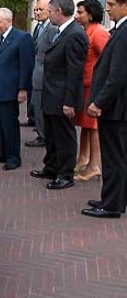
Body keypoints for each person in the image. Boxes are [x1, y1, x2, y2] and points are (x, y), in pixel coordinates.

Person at [30, 0, 88, 189]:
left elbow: (75, 71)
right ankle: (52, 167)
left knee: (64, 137)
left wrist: (70, 102)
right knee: (52, 135)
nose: (48, 14)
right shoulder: (60, 31)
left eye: (50, 11)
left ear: (59, 11)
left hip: (63, 98)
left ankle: (65, 175)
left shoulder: (75, 34)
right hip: (51, 94)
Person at [82, 0, 127, 218]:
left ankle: (111, 205)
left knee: (114, 157)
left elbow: (117, 74)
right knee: (116, 156)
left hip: (116, 108)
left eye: (111, 4)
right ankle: (114, 199)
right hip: (116, 106)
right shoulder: (120, 30)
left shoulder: (125, 32)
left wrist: (99, 102)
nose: (107, 8)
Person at [0, 7, 34, 171]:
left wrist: (23, 89)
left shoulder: (22, 38)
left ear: (8, 21)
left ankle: (13, 156)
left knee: (9, 124)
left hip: (10, 90)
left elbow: (26, 66)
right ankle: (2, 152)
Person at [73, 0, 109, 181]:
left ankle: (95, 165)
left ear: (91, 14)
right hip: (85, 86)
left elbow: (107, 61)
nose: (77, 16)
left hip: (93, 87)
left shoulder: (99, 33)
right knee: (86, 127)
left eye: (80, 12)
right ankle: (83, 158)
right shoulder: (86, 31)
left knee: (93, 128)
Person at [24, 0, 57, 148]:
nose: (36, 12)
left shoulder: (52, 28)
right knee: (36, 105)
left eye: (40, 9)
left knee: (41, 106)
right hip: (36, 73)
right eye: (35, 10)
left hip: (45, 75)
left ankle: (43, 136)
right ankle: (40, 131)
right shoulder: (38, 27)